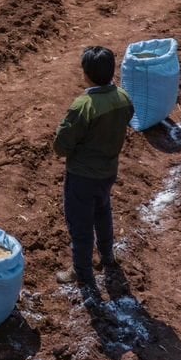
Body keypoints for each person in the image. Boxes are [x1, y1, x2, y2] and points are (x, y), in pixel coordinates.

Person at [52, 45, 136, 304]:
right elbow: (129, 118)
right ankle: (107, 256)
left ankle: (83, 273)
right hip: (108, 171)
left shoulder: (84, 105)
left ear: (86, 74)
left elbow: (61, 145)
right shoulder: (123, 97)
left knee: (80, 226)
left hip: (81, 176)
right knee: (103, 212)